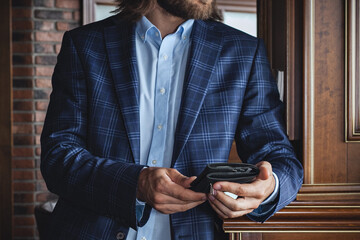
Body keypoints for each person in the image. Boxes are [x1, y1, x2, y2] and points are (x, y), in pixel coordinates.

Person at [40, 0, 303, 239]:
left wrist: (268, 188)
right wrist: (136, 183)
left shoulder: (244, 52)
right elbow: (57, 157)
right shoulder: (85, 45)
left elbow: (280, 156)